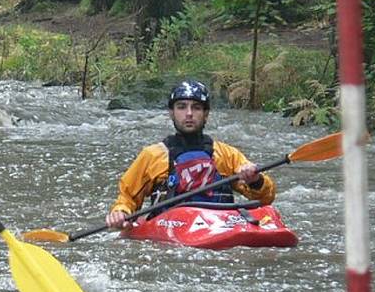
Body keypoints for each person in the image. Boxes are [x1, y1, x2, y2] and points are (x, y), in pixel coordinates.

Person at [106, 80, 276, 231]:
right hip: (173, 229)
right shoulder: (153, 156)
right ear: (171, 113)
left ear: (206, 114)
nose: (189, 113)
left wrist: (255, 180)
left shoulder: (226, 154)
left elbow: (265, 198)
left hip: (219, 225)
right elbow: (127, 198)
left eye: (196, 107)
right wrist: (121, 212)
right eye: (181, 107)